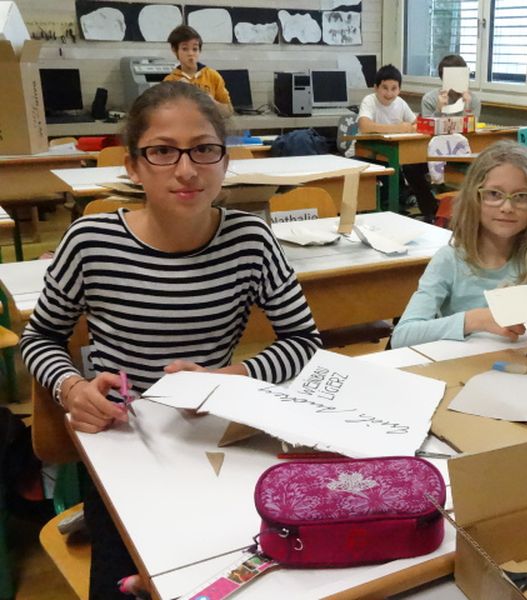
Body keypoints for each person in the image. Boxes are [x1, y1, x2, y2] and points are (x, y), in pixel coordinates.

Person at [19, 81, 322, 599]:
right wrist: (71, 388)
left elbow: (302, 340)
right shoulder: (91, 243)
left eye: (204, 150)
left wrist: (229, 378)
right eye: (162, 151)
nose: (186, 170)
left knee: (234, 576)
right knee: (126, 584)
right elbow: (41, 335)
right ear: (133, 166)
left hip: (212, 445)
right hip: (122, 444)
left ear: (225, 161)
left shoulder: (250, 241)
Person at [391, 140, 527, 348]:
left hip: (520, 361)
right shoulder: (450, 260)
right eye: (494, 194)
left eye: (521, 196)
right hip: (462, 364)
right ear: (474, 197)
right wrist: (475, 320)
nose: (507, 207)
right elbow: (402, 336)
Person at [357, 64, 438, 222]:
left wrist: (412, 127)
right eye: (384, 88)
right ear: (376, 88)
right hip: (368, 153)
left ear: (399, 89)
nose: (389, 93)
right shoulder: (369, 101)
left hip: (394, 151)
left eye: (394, 88)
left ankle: (429, 211)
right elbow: (365, 126)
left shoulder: (400, 102)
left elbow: (416, 124)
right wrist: (398, 128)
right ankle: (387, 209)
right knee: (391, 170)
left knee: (413, 166)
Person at [163, 24, 233, 116]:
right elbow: (164, 113)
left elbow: (229, 111)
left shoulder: (212, 76)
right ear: (174, 50)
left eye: (195, 49)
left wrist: (212, 102)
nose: (191, 54)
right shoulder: (170, 81)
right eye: (185, 49)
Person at [421, 54, 481, 120]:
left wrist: (467, 107)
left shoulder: (473, 100)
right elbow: (426, 125)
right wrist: (439, 110)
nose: (456, 80)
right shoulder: (429, 99)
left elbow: (472, 126)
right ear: (442, 77)